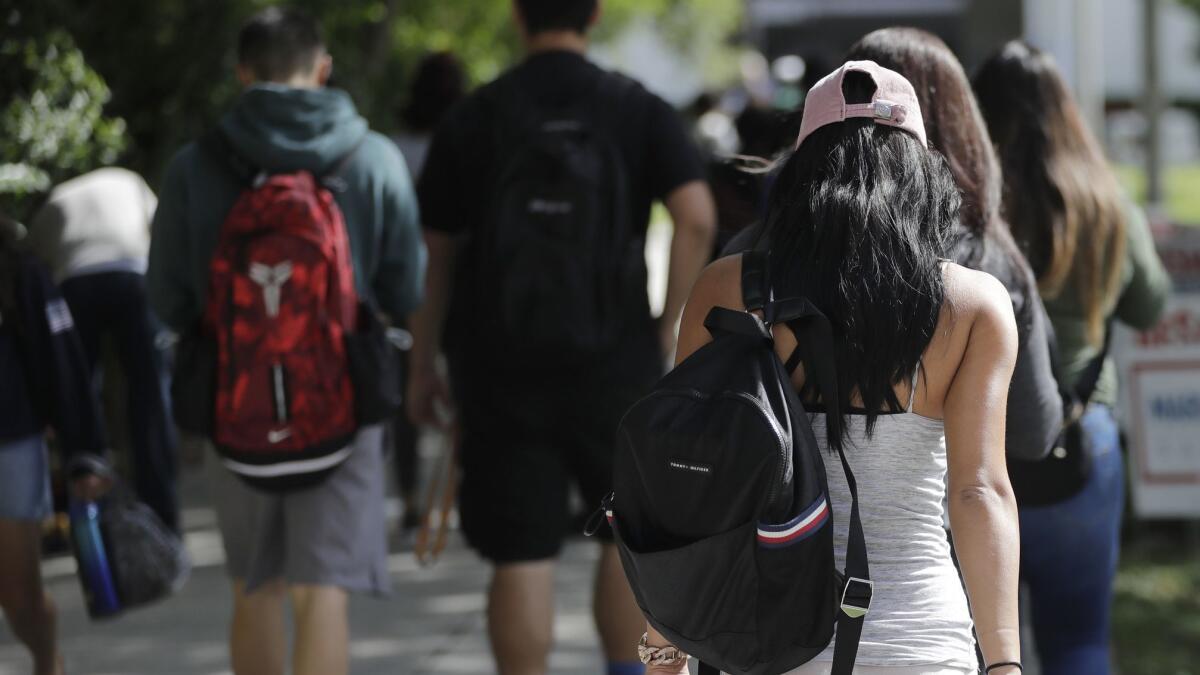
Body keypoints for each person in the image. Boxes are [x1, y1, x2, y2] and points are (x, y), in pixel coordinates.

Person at [646, 61, 1021, 675]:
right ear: (922, 174)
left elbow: (688, 477)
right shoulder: (973, 308)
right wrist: (1004, 661)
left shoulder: (725, 290)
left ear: (801, 173)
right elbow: (979, 491)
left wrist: (664, 642)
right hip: (921, 641)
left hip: (764, 640)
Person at [408, 0, 717, 672]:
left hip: (497, 363)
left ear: (518, 16)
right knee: (624, 536)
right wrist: (667, 328)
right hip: (617, 361)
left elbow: (435, 249)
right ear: (595, 15)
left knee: (521, 551)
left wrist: (424, 362)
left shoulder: (477, 114)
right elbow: (695, 217)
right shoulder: (636, 108)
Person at [147, 7, 425, 675]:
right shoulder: (374, 156)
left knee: (254, 587)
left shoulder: (195, 166)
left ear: (244, 72)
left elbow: (166, 296)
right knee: (322, 594)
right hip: (344, 404)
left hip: (233, 399)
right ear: (323, 70)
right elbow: (406, 287)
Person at [974, 41, 1171, 675]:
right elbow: (1148, 306)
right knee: (1080, 644)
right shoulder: (1105, 201)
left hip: (979, 447)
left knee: (979, 648)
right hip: (1084, 443)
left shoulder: (971, 206)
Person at [844, 27, 1061, 465]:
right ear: (958, 121)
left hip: (781, 522)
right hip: (932, 523)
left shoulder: (761, 252)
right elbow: (1032, 430)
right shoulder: (985, 267)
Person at [28, 166, 181, 532]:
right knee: (150, 395)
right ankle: (163, 520)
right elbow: (163, 235)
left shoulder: (57, 198)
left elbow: (32, 263)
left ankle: (89, 506)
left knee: (79, 392)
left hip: (75, 281)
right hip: (133, 275)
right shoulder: (129, 180)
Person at [0, 213, 110, 675]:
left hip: (11, 442)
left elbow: (61, 362)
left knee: (18, 593)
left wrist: (85, 453)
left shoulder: (19, 269)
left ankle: (47, 662)